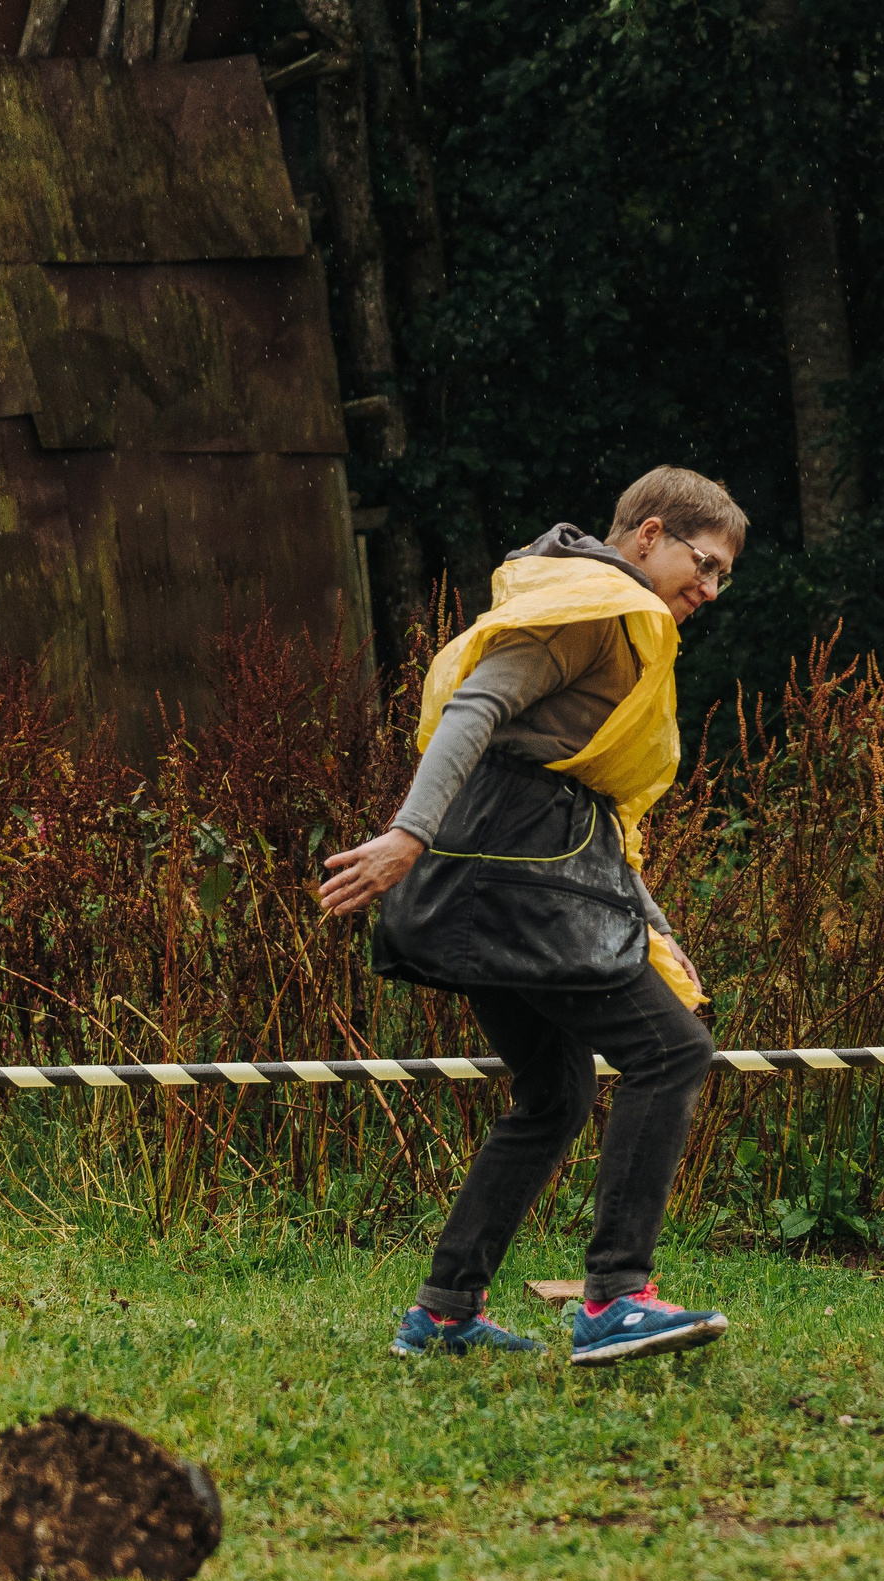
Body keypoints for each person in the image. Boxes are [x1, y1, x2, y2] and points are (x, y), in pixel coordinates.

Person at [318, 466, 743, 1366]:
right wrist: (405, 835)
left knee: (555, 1095)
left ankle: (443, 1315)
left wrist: (654, 925)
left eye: (722, 579)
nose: (708, 589)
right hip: (516, 881)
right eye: (701, 563)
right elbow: (476, 708)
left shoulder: (619, 619)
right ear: (648, 534)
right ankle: (617, 1299)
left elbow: (601, 814)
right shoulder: (592, 609)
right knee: (670, 1053)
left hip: (521, 876)